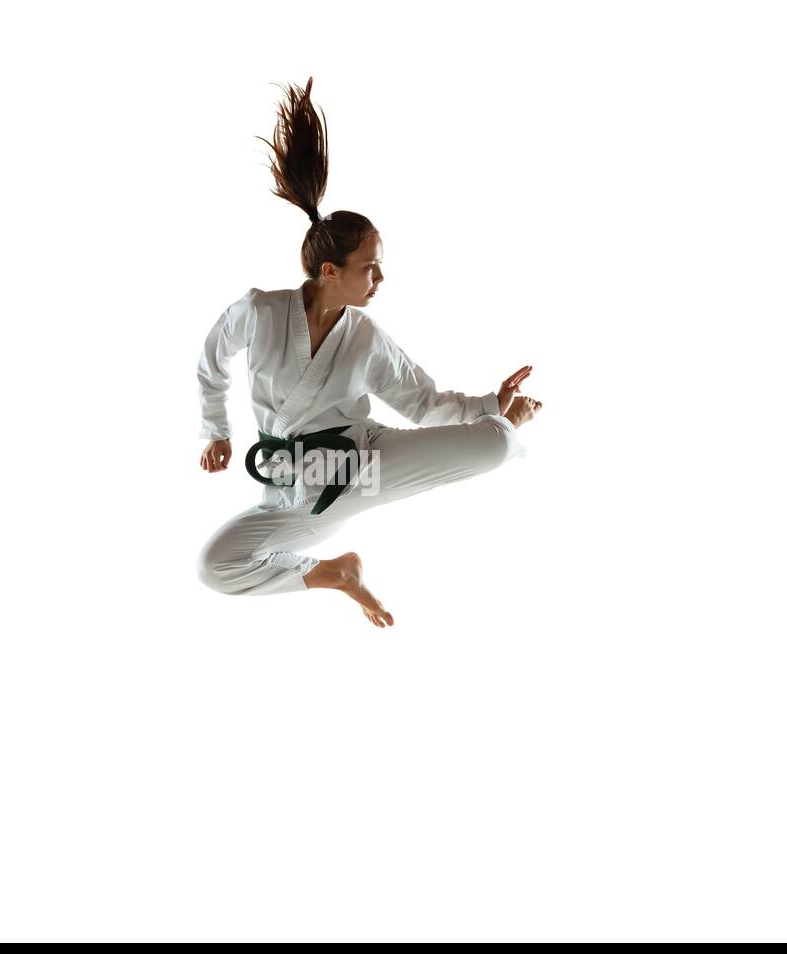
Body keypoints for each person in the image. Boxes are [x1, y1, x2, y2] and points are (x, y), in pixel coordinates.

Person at [196, 77, 543, 627]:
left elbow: (424, 403)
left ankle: (505, 425)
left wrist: (494, 405)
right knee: (216, 567)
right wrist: (216, 429)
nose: (380, 278)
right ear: (330, 272)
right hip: (292, 494)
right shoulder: (259, 312)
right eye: (370, 267)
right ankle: (334, 573)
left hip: (363, 467)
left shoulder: (365, 336)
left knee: (498, 443)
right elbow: (212, 360)